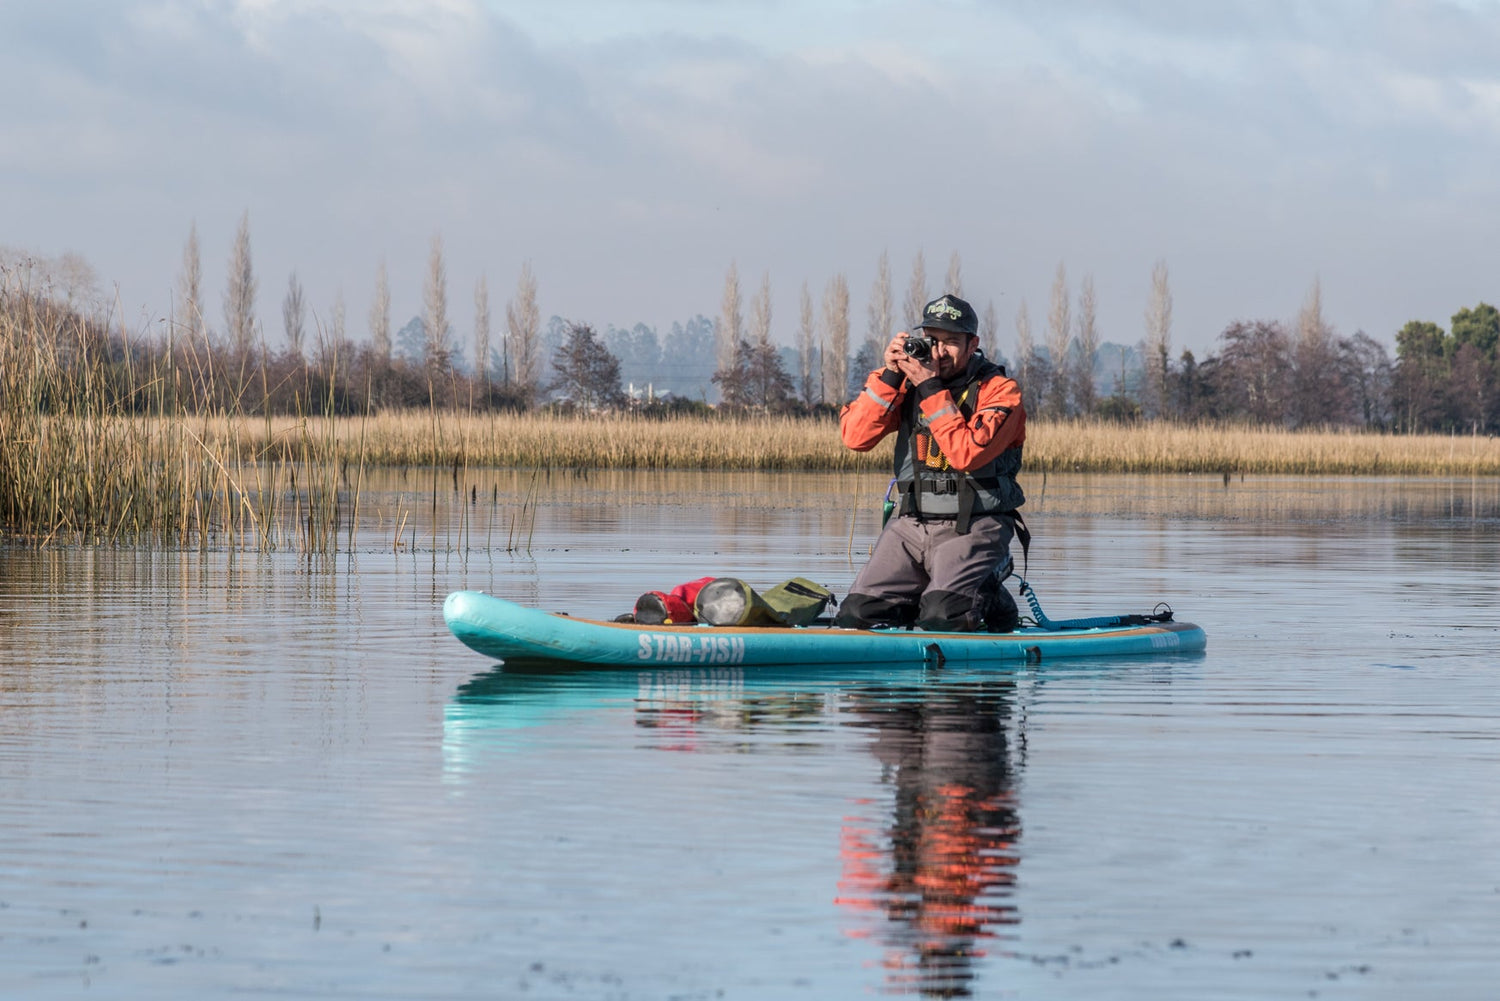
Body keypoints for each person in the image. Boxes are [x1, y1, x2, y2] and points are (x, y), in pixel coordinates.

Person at [833, 293, 1026, 632]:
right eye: (932, 341)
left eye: (952, 342)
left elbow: (968, 454)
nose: (938, 352)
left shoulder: (1000, 390)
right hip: (911, 523)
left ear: (972, 344)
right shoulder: (904, 383)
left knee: (942, 617)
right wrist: (891, 377)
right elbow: (856, 438)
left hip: (975, 525)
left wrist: (930, 386)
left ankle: (989, 593)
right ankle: (924, 597)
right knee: (856, 616)